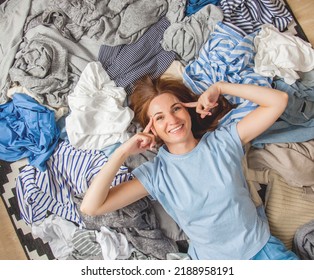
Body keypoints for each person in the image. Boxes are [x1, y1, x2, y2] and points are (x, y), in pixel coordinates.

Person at [80, 76, 298, 260]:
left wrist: (220, 87)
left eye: (176, 108)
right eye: (159, 117)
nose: (172, 119)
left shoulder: (222, 142)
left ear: (188, 109)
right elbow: (91, 207)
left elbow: (279, 101)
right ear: (151, 128)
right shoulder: (156, 174)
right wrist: (122, 152)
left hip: (263, 251)